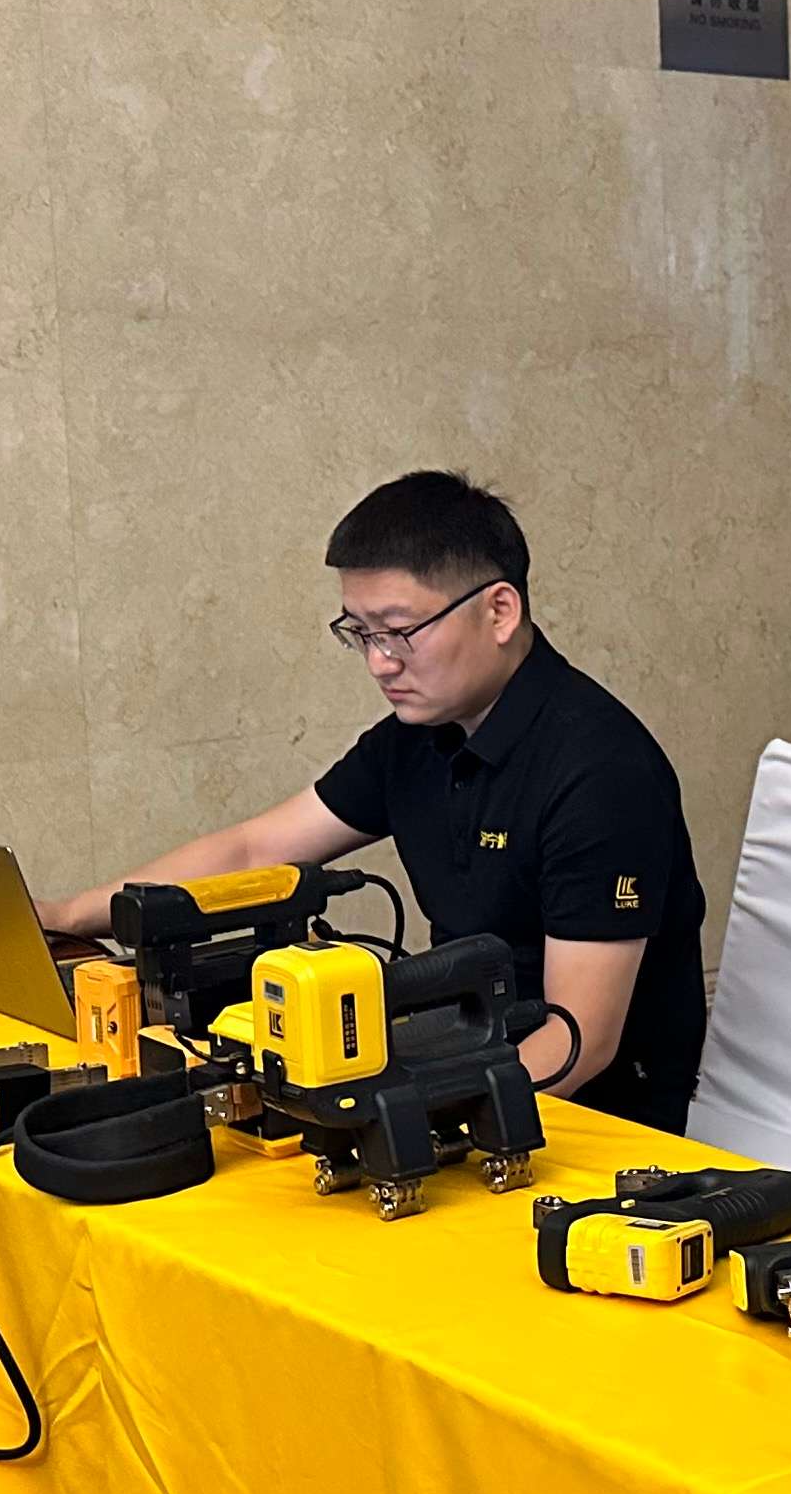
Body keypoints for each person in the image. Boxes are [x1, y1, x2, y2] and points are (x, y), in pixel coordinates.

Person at [46, 472, 708, 1130]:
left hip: (593, 1122)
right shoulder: (415, 740)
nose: (379, 663)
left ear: (499, 611)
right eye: (359, 632)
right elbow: (256, 850)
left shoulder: (600, 771)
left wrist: (412, 1126)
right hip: (461, 1059)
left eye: (399, 630)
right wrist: (69, 917)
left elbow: (578, 1043)